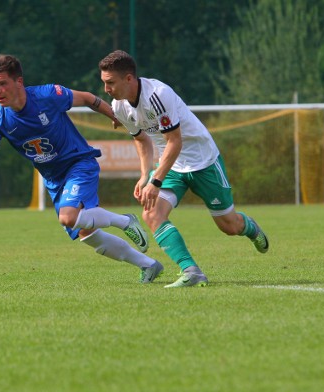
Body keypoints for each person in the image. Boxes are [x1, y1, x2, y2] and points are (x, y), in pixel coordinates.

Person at [0, 54, 163, 284]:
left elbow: (86, 98)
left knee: (67, 217)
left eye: (2, 83)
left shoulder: (46, 95)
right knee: (87, 234)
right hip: (53, 179)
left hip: (78, 163)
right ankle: (149, 265)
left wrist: (113, 115)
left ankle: (124, 221)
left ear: (19, 82)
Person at [98, 50, 269, 288]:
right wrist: (145, 175)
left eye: (110, 83)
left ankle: (250, 228)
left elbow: (175, 141)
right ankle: (191, 270)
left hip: (203, 161)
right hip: (173, 166)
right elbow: (141, 140)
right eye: (104, 83)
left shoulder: (158, 95)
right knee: (151, 213)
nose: (106, 89)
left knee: (229, 226)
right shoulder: (119, 107)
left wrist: (155, 182)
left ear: (128, 79)